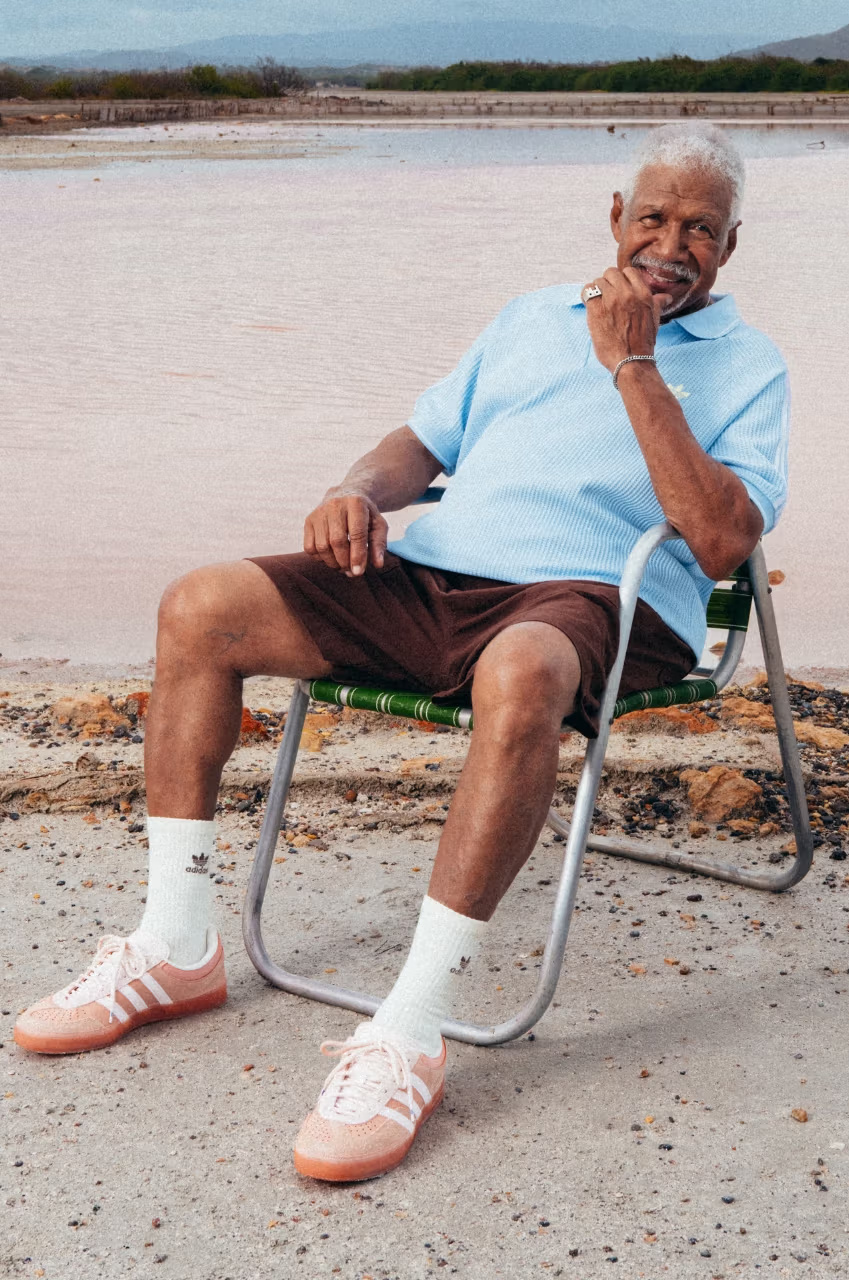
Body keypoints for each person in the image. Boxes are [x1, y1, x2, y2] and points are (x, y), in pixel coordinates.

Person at [15, 123, 789, 1182]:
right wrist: (356, 491)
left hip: (593, 600)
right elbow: (422, 445)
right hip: (434, 580)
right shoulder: (527, 318)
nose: (669, 244)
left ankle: (411, 1029)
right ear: (614, 217)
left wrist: (634, 363)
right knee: (201, 605)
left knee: (521, 669)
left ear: (730, 246)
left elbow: (722, 540)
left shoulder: (750, 365)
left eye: (698, 228)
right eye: (651, 216)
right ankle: (176, 942)